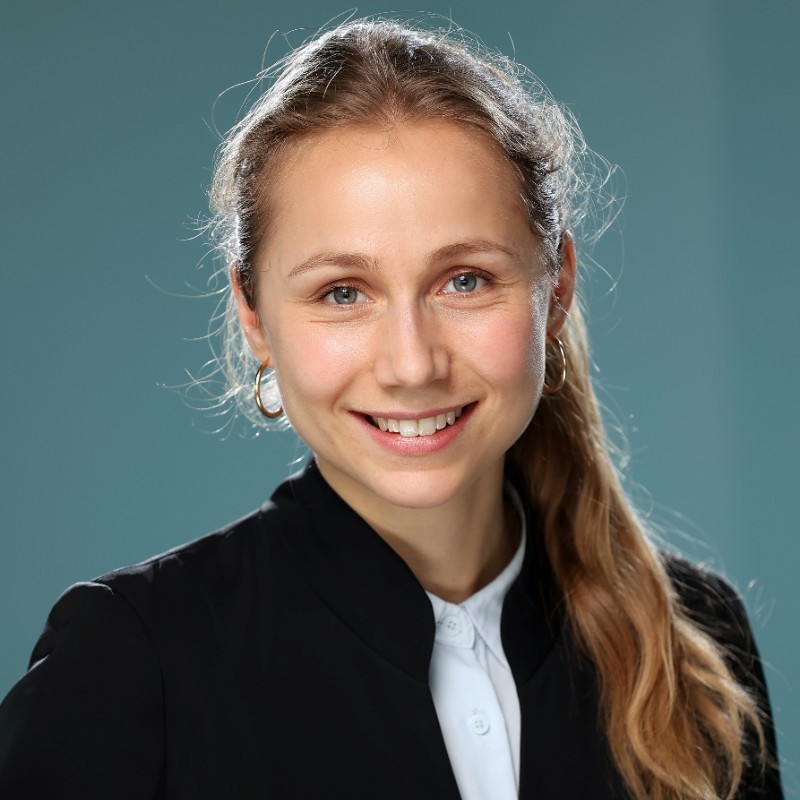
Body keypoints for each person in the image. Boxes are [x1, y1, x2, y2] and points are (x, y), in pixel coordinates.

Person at [0, 18, 783, 800]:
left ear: (557, 288)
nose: (412, 365)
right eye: (343, 293)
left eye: (465, 280)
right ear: (253, 316)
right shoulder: (134, 657)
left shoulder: (694, 638)